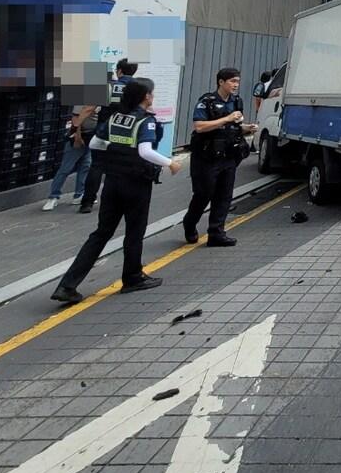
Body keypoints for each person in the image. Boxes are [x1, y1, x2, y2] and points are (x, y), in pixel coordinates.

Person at [50, 78, 183, 305]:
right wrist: (169, 163)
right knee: (134, 230)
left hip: (112, 183)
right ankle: (132, 277)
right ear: (146, 97)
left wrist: (112, 161)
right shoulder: (145, 122)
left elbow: (95, 145)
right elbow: (145, 151)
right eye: (152, 93)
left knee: (101, 233)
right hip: (136, 184)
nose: (153, 97)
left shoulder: (114, 118)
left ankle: (67, 285)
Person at [184, 68, 255, 247]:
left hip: (229, 156)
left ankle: (216, 233)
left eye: (237, 81)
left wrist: (247, 127)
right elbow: (199, 126)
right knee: (203, 194)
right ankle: (190, 223)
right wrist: (226, 119)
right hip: (206, 157)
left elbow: (235, 126)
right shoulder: (206, 102)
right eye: (232, 81)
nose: (236, 85)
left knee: (224, 196)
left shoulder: (236, 102)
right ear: (221, 82)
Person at [78, 59, 139, 214]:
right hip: (128, 135)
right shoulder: (138, 88)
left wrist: (75, 125)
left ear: (119, 71)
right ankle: (121, 202)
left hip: (104, 133)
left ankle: (87, 202)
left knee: (97, 166)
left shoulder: (109, 86)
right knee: (124, 168)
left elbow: (89, 108)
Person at [42, 104, 95, 210]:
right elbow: (76, 119)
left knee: (85, 166)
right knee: (66, 168)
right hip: (79, 136)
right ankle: (53, 197)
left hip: (91, 137)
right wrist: (77, 137)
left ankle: (79, 194)